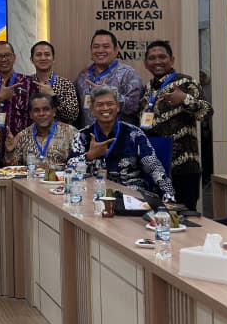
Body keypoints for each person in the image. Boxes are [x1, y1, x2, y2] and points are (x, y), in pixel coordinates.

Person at [66, 85, 176, 201]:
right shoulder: (82, 135)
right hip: (94, 194)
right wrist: (89, 156)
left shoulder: (134, 134)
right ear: (92, 110)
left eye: (110, 104)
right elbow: (69, 170)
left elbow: (154, 167)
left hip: (130, 195)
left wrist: (169, 196)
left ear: (118, 107)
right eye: (99, 105)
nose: (105, 108)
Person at [140, 40, 213, 211]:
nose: (157, 61)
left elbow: (207, 112)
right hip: (156, 167)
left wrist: (185, 99)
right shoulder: (148, 88)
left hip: (183, 168)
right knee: (156, 217)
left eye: (162, 57)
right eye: (152, 58)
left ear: (172, 60)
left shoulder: (186, 83)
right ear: (146, 63)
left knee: (184, 218)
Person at [73, 30, 143, 128]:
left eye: (106, 46)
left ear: (116, 50)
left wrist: (107, 93)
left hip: (120, 135)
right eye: (96, 47)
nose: (100, 50)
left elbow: (134, 107)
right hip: (89, 134)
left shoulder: (129, 74)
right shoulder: (83, 76)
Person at [4, 93, 78, 170]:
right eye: (36, 110)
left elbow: (80, 165)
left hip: (60, 177)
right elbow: (12, 169)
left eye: (46, 109)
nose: (41, 114)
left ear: (54, 112)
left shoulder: (70, 132)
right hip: (30, 177)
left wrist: (52, 168)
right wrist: (9, 152)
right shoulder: (23, 136)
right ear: (31, 115)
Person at [0, 41, 34, 136]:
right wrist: (0, 98)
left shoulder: (28, 82)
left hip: (21, 140)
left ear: (14, 57)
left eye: (7, 55)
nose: (4, 59)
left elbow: (37, 114)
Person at [29, 41, 80, 126]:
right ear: (32, 60)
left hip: (60, 132)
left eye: (47, 54)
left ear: (53, 59)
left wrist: (54, 96)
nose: (43, 58)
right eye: (38, 55)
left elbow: (72, 115)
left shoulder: (65, 84)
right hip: (31, 133)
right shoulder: (27, 83)